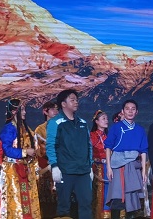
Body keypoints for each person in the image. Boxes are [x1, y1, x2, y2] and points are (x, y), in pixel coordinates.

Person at [46, 88, 92, 219]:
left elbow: (88, 145)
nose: (76, 102)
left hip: (83, 171)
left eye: (76, 100)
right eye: (72, 100)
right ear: (63, 104)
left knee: (86, 205)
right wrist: (54, 166)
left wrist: (90, 166)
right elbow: (51, 145)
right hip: (65, 171)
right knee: (64, 206)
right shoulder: (55, 122)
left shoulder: (83, 123)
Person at [0, 98, 40, 219]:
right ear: (14, 112)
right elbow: (7, 149)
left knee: (29, 200)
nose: (25, 112)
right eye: (22, 110)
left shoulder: (25, 128)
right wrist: (25, 152)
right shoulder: (9, 128)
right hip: (13, 171)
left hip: (26, 169)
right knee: (17, 202)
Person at [105, 99, 148, 218]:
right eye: (127, 109)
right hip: (118, 166)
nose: (130, 111)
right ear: (122, 111)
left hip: (133, 167)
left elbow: (143, 151)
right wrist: (109, 167)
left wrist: (144, 171)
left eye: (133, 109)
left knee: (132, 199)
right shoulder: (116, 127)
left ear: (137, 112)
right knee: (117, 197)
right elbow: (108, 147)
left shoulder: (140, 129)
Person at [34, 100, 58, 219]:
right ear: (45, 111)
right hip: (47, 167)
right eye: (53, 109)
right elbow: (39, 150)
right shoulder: (40, 130)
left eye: (57, 109)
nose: (56, 111)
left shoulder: (62, 126)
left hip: (61, 165)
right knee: (47, 199)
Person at [91, 109, 111, 219]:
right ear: (96, 121)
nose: (106, 120)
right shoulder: (92, 136)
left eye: (107, 118)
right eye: (103, 118)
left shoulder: (109, 136)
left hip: (110, 167)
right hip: (99, 168)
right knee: (101, 193)